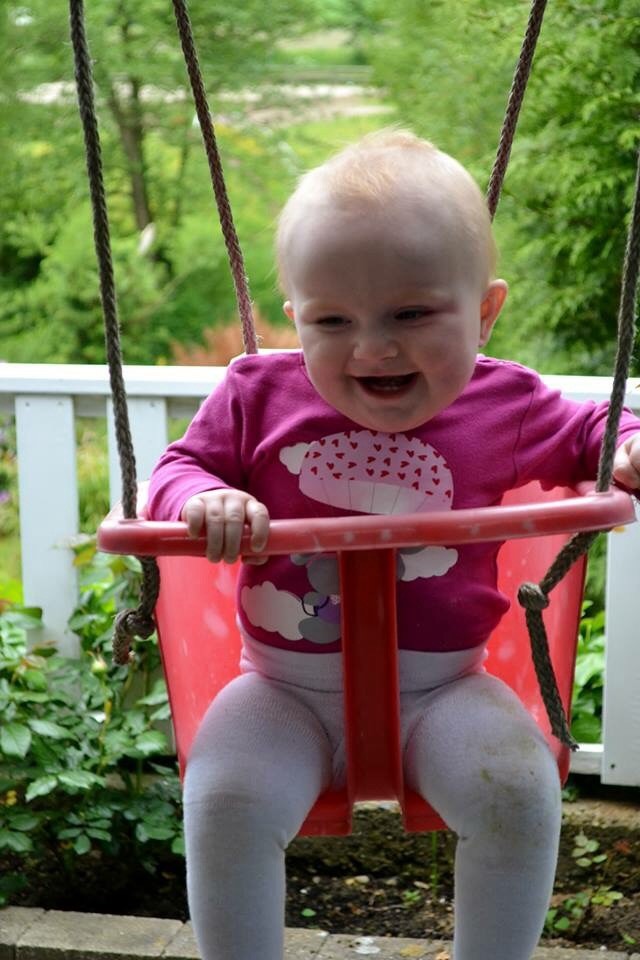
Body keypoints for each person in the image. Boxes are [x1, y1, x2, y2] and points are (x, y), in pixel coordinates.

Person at [148, 130, 640, 960]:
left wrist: (628, 443)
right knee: (225, 801)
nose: (373, 347)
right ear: (296, 318)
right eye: (332, 320)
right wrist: (205, 498)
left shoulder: (505, 405)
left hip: (444, 690)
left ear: (484, 312)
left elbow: (594, 426)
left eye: (411, 314)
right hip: (280, 691)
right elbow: (178, 466)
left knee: (517, 792)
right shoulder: (256, 396)